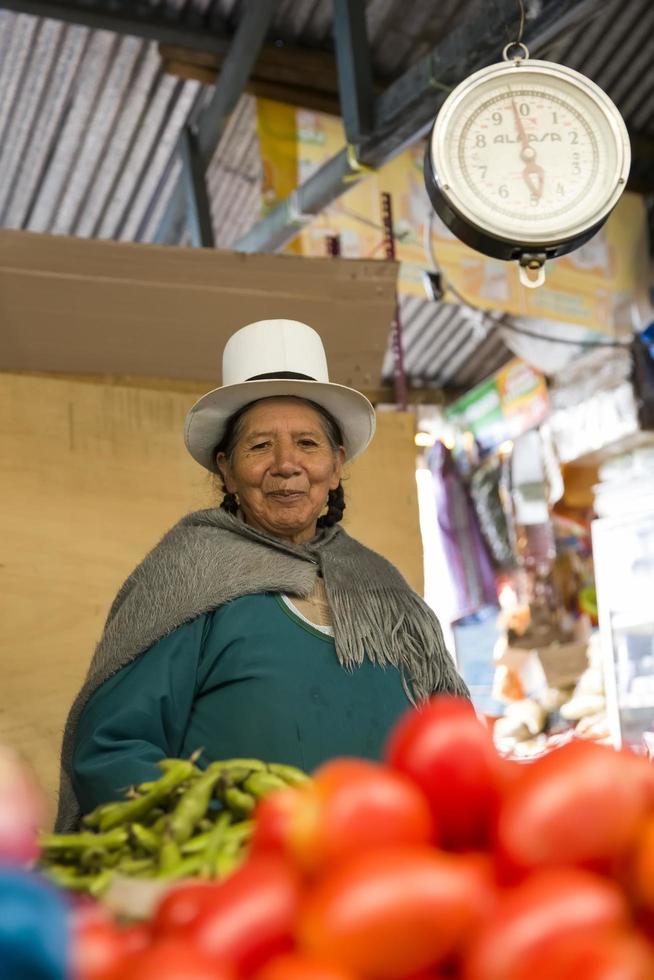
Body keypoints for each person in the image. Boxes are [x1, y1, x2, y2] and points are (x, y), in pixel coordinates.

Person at [55, 319, 468, 831]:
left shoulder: (382, 586)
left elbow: (451, 733)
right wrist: (212, 837)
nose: (285, 464)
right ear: (225, 470)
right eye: (259, 447)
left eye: (308, 444)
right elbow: (112, 751)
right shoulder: (188, 576)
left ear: (337, 465)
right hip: (241, 881)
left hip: (389, 873)